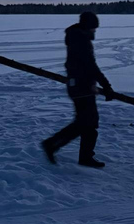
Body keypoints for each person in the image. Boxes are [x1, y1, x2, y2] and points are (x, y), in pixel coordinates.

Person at [42, 12, 115, 168]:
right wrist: (106, 86)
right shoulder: (81, 40)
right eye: (93, 28)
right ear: (87, 26)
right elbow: (90, 66)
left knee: (86, 124)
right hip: (82, 88)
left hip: (80, 86)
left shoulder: (76, 38)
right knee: (86, 124)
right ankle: (53, 145)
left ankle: (81, 155)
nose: (95, 31)